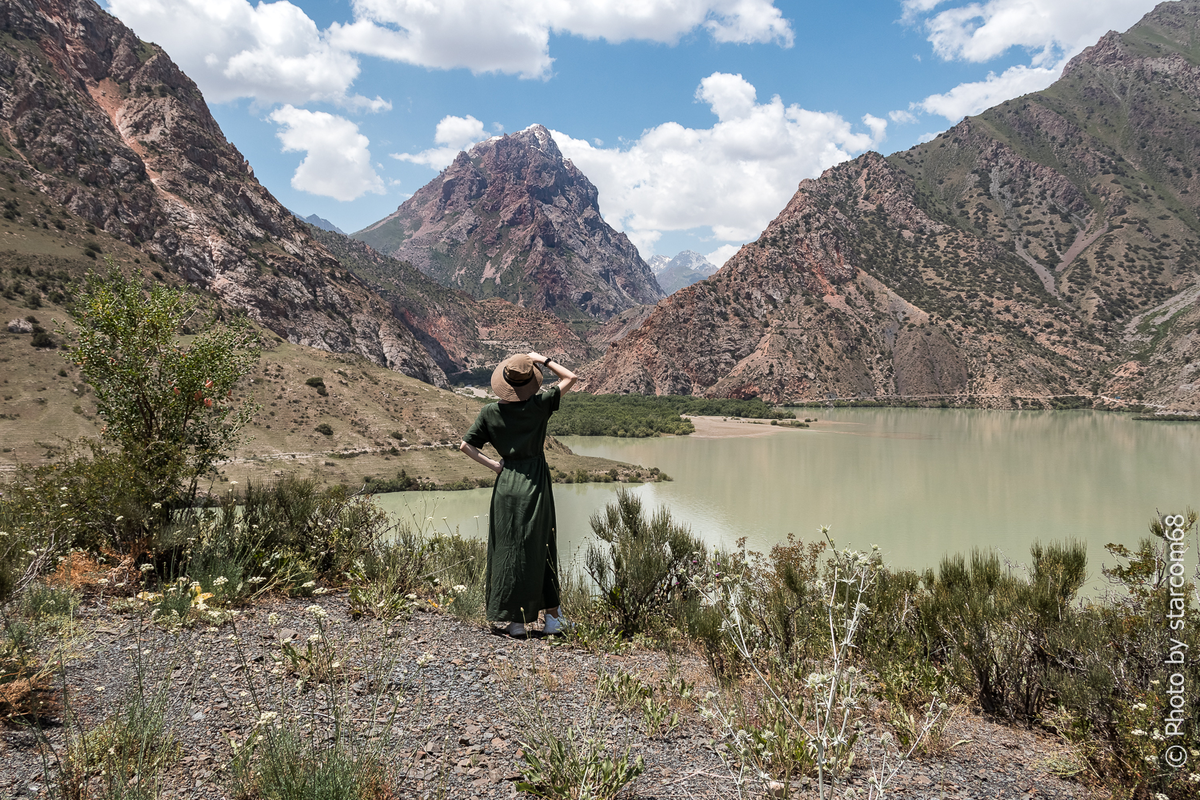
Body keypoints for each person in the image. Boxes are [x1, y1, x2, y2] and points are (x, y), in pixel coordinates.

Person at [459, 352, 578, 637]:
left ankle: (515, 622)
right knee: (542, 546)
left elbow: (465, 446)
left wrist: (496, 466)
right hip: (535, 483)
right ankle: (552, 619)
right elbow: (570, 377)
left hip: (506, 483)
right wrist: (543, 359)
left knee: (508, 548)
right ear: (530, 382)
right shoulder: (540, 405)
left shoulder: (490, 412)